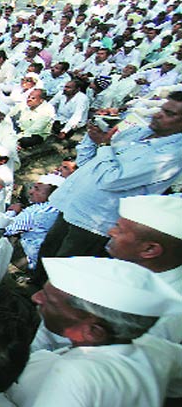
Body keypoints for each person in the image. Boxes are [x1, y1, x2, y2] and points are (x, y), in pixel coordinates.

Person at [36, 93, 182, 284]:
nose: (158, 115)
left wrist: (104, 144)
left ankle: (42, 307)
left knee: (64, 268)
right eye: (162, 109)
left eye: (169, 113)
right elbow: (92, 156)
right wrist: (95, 134)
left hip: (94, 221)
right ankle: (31, 289)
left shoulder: (171, 155)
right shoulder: (138, 132)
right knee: (48, 250)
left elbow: (112, 179)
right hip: (73, 203)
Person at [7, 257, 182, 407]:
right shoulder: (157, 349)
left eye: (50, 300)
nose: (36, 298)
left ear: (93, 332)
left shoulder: (76, 376)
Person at [106, 195, 182, 343]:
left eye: (120, 230)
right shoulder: (132, 266)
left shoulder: (166, 311)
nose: (111, 232)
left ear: (149, 250)